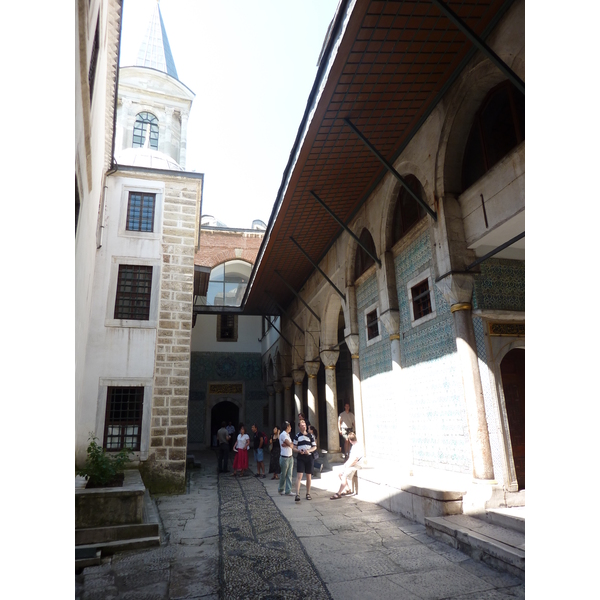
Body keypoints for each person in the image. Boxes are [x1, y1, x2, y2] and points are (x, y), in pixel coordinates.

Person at [330, 432, 363, 499]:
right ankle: (348, 489)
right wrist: (346, 464)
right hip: (351, 463)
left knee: (344, 475)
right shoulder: (353, 446)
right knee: (340, 474)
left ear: (350, 440)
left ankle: (338, 493)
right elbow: (351, 458)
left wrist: (348, 466)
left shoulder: (357, 446)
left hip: (355, 465)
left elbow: (355, 460)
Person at [292, 419, 317, 502]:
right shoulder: (297, 436)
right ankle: (297, 494)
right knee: (299, 475)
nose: (304, 427)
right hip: (301, 457)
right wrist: (299, 451)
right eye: (302, 425)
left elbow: (314, 447)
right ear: (299, 427)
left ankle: (308, 493)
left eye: (305, 425)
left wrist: (309, 451)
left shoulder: (310, 436)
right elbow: (294, 447)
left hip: (309, 457)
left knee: (308, 476)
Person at [278, 421, 294, 496]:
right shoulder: (283, 434)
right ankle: (281, 489)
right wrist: (289, 444)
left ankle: (288, 490)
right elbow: (290, 445)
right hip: (284, 457)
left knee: (289, 475)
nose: (290, 428)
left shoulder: (288, 435)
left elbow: (292, 444)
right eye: (290, 426)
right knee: (283, 474)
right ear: (287, 427)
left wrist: (289, 444)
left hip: (290, 456)